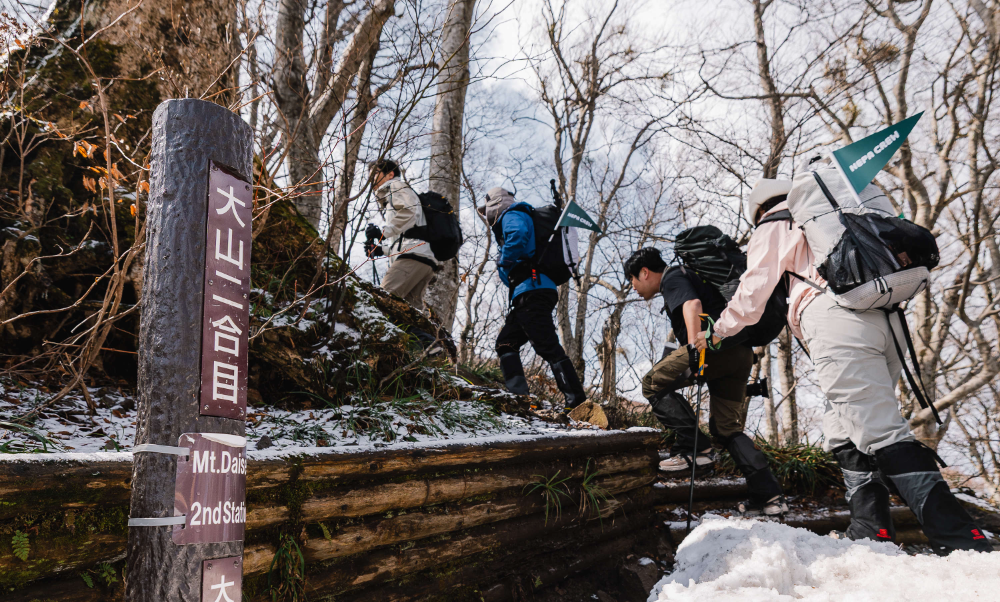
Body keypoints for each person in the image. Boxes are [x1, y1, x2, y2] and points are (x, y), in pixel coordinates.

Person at [706, 176, 993, 553]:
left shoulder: (775, 222)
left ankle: (960, 540)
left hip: (837, 320)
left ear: (759, 208)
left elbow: (753, 290)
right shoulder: (838, 215)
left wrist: (718, 332)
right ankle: (871, 530)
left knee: (881, 431)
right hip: (887, 319)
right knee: (842, 427)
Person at [625, 247, 787, 517]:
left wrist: (694, 351)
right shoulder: (687, 276)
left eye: (632, 280)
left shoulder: (672, 277)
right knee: (727, 429)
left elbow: (693, 306)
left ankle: (694, 448)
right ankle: (769, 497)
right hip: (740, 351)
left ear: (644, 272)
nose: (633, 288)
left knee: (652, 383)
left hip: (713, 347)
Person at [477, 187, 586, 411]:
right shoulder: (513, 216)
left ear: (495, 205)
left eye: (487, 210)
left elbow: (517, 236)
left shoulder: (512, 214)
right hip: (527, 292)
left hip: (532, 290)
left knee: (546, 345)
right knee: (506, 342)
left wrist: (504, 262)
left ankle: (576, 401)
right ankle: (519, 399)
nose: (487, 217)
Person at [365, 159, 437, 310]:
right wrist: (382, 250)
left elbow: (410, 212)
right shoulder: (393, 196)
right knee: (411, 316)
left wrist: (383, 233)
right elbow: (406, 236)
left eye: (375, 173)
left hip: (412, 256)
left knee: (382, 302)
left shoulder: (396, 186)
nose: (370, 178)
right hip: (422, 259)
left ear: (390, 174)